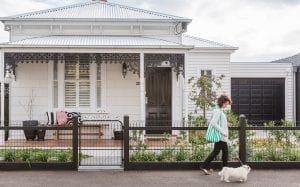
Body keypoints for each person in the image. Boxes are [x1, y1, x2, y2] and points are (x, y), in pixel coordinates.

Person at [200, 95, 232, 175]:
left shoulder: (218, 110)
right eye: (226, 104)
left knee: (222, 151)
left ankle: (205, 166)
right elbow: (213, 123)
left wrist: (226, 123)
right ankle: (205, 166)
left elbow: (219, 121)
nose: (227, 106)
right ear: (223, 102)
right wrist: (223, 132)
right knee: (219, 152)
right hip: (221, 135)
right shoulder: (218, 111)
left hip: (222, 135)